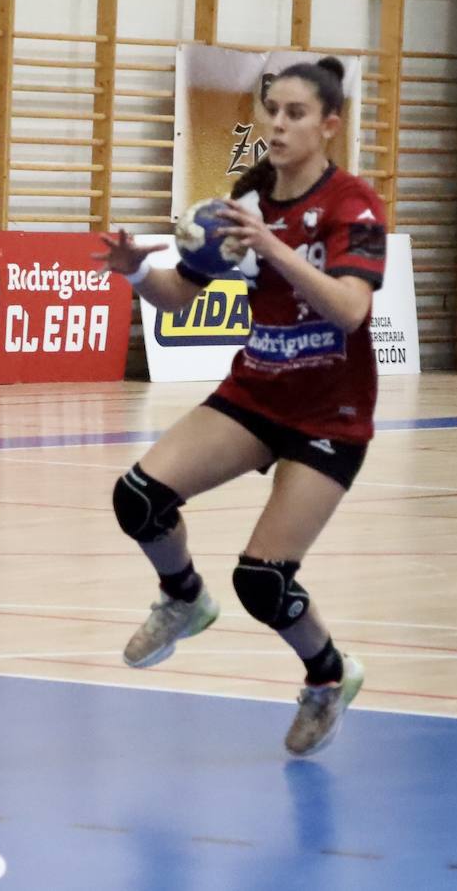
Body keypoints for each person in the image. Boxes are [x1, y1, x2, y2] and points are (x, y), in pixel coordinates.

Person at [95, 57, 386, 756]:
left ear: (329, 125)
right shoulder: (243, 206)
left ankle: (327, 675)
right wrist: (136, 268)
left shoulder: (355, 206)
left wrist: (276, 249)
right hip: (256, 392)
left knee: (262, 579)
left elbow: (349, 309)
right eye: (272, 112)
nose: (279, 125)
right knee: (137, 498)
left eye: (296, 114)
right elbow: (178, 294)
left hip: (330, 416)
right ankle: (184, 597)